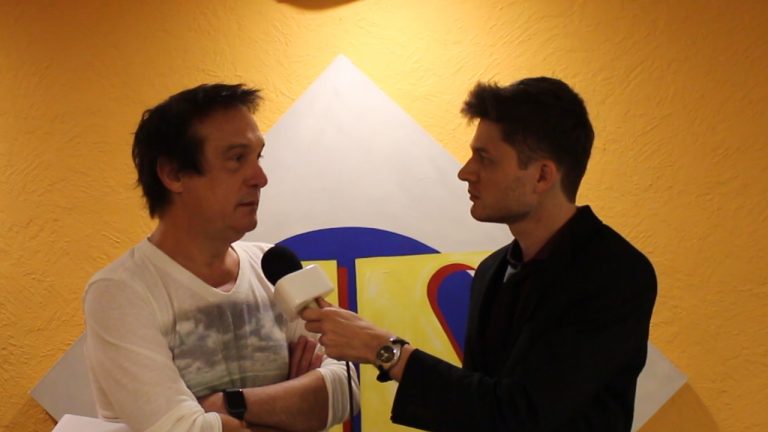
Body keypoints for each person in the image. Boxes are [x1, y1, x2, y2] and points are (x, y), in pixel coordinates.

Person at [302, 77, 657, 431]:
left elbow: (522, 415)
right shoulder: (492, 270)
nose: (465, 172)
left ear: (542, 176)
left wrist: (384, 350)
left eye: (485, 159)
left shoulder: (615, 274)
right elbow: (478, 412)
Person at [83, 83, 359, 432]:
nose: (260, 178)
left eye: (258, 157)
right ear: (173, 174)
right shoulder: (120, 292)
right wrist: (291, 405)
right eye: (236, 159)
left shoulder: (271, 264)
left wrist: (227, 405)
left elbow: (345, 388)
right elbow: (183, 429)